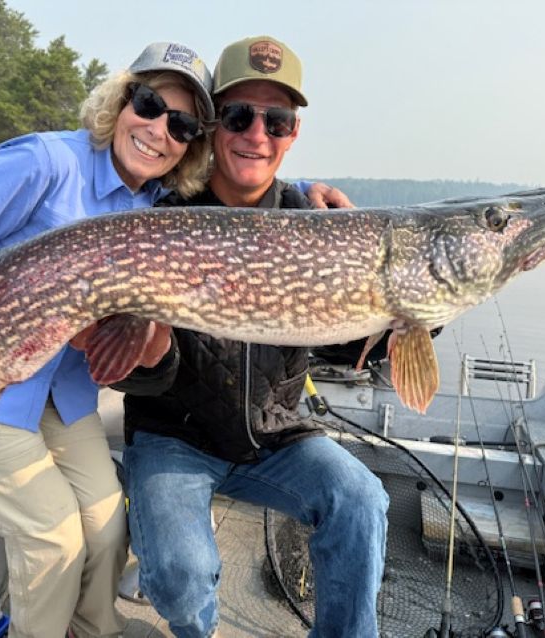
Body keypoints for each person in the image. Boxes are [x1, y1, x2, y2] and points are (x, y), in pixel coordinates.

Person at [0, 41, 218, 638]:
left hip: (64, 394)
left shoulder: (152, 203)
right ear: (122, 100)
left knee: (107, 527)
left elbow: (240, 206)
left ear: (191, 146)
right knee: (53, 537)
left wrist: (307, 191)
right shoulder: (42, 161)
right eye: (149, 104)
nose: (159, 130)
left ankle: (92, 631)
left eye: (182, 126)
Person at [112, 36, 389, 637]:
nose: (257, 135)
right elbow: (134, 376)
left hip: (276, 434)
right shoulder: (162, 220)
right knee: (181, 575)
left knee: (361, 500)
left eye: (276, 120)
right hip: (175, 438)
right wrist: (151, 351)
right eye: (239, 116)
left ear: (293, 133)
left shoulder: (315, 222)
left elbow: (347, 344)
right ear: (214, 125)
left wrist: (406, 311)